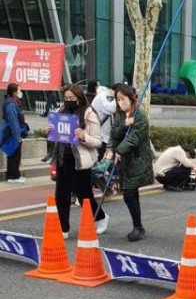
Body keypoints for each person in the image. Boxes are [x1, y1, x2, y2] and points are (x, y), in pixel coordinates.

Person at [46, 84, 108, 237]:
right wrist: (50, 131)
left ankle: (101, 217)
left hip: (80, 161)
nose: (68, 101)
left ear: (79, 98)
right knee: (61, 195)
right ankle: (63, 228)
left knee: (84, 195)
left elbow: (97, 141)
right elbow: (58, 134)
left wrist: (83, 136)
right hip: (63, 158)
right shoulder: (61, 111)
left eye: (71, 98)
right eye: (66, 98)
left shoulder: (88, 113)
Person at [110, 85, 154, 241]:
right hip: (124, 161)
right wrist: (125, 125)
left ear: (131, 98)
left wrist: (119, 150)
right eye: (118, 99)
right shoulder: (119, 116)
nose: (120, 102)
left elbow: (134, 138)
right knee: (130, 193)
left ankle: (138, 227)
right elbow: (115, 133)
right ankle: (138, 225)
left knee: (129, 194)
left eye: (123, 99)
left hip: (137, 160)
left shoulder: (140, 116)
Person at [1, 83, 27, 183]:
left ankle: (15, 175)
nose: (21, 93)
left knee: (15, 154)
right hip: (12, 133)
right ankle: (13, 177)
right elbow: (13, 122)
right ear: (14, 92)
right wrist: (17, 137)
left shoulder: (13, 102)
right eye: (19, 91)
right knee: (13, 154)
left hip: (13, 132)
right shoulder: (11, 104)